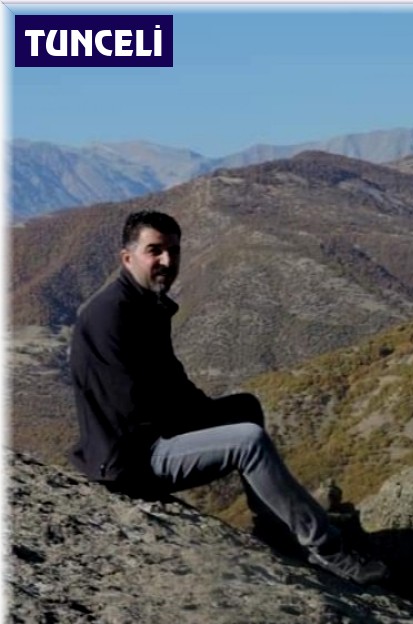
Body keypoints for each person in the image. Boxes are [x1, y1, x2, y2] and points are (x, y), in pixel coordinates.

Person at [68, 209, 389, 585]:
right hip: (131, 459)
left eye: (173, 250)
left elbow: (170, 383)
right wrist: (198, 429)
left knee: (244, 408)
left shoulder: (142, 304)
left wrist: (206, 416)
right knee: (247, 441)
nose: (167, 261)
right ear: (127, 258)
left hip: (146, 435)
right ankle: (328, 551)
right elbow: (129, 408)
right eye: (155, 250)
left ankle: (274, 528)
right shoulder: (112, 315)